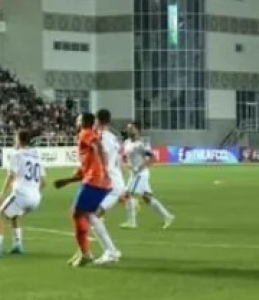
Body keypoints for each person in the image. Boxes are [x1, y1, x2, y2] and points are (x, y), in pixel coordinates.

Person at [53, 113, 112, 267]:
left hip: (95, 181)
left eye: (78, 119)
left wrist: (104, 166)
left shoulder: (85, 133)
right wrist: (67, 181)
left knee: (77, 213)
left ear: (84, 122)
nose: (76, 122)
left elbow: (97, 145)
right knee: (86, 215)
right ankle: (90, 250)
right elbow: (84, 169)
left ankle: (86, 253)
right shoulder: (88, 138)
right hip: (99, 182)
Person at [0, 130, 43, 258]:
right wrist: (33, 192)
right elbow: (44, 181)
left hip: (23, 195)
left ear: (19, 140)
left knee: (0, 215)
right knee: (14, 214)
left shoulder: (16, 155)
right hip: (36, 198)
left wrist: (1, 194)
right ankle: (17, 245)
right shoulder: (36, 157)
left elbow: (10, 175)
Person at [122, 122, 176, 229]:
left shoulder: (141, 144)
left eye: (131, 128)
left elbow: (152, 158)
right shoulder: (127, 142)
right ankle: (168, 216)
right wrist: (127, 164)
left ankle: (132, 222)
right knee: (147, 198)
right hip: (134, 174)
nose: (129, 130)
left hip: (140, 173)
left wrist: (139, 167)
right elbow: (125, 156)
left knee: (128, 194)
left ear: (137, 130)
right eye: (128, 128)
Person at [89, 109, 124, 263]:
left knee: (92, 214)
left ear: (98, 120)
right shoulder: (113, 138)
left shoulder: (101, 137)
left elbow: (104, 159)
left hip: (109, 184)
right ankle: (109, 251)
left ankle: (111, 251)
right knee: (94, 215)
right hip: (113, 181)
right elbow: (119, 160)